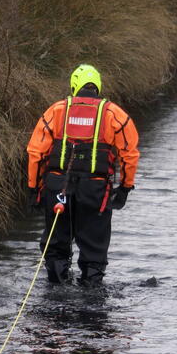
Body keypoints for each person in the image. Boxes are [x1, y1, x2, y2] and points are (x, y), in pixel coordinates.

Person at [26, 64, 140, 285]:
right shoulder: (114, 114)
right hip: (95, 192)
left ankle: (56, 297)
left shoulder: (56, 111)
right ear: (97, 87)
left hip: (57, 188)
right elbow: (129, 155)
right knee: (94, 250)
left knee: (56, 247)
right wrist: (125, 189)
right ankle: (92, 301)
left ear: (74, 86)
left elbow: (35, 153)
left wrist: (34, 189)